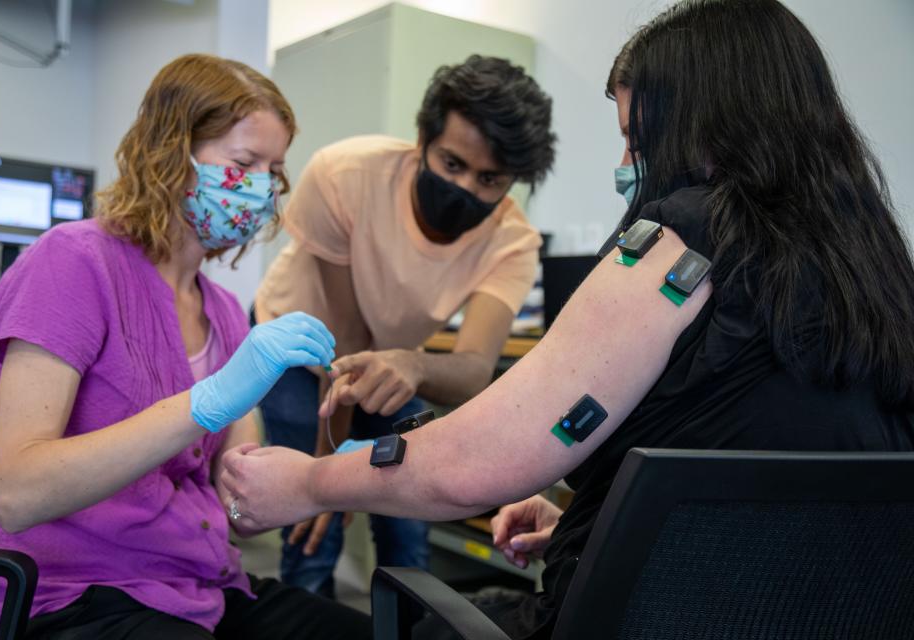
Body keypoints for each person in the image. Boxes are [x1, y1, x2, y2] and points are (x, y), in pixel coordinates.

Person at [221, 1, 914, 638]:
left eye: (638, 146)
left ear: (707, 128)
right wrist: (623, 522)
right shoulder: (875, 270)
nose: (626, 168)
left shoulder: (678, 243)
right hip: (796, 615)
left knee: (263, 613)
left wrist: (308, 483)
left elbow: (474, 461)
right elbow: (769, 473)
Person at [0, 54, 371, 639]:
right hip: (79, 597)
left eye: (273, 169)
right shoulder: (73, 263)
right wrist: (204, 403)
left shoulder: (227, 313)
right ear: (170, 153)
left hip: (202, 587)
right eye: (244, 163)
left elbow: (239, 513)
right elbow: (14, 492)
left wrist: (330, 479)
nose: (260, 189)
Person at [252, 54, 557, 597]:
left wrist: (413, 364)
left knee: (408, 516)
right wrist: (327, 474)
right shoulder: (343, 175)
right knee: (314, 514)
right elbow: (342, 348)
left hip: (391, 362)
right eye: (452, 164)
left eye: (491, 179)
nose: (466, 188)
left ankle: (408, 622)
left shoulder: (513, 242)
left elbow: (472, 371)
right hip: (299, 350)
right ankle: (304, 612)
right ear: (422, 140)